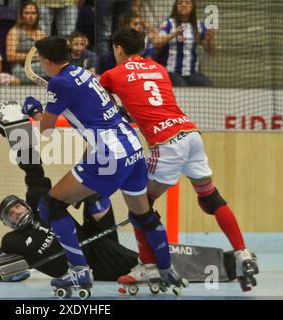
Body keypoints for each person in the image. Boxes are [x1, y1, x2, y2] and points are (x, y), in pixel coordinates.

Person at [20, 36, 186, 297]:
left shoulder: (59, 83)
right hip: (132, 146)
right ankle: (165, 268)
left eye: (41, 60)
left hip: (109, 155)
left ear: (47, 61)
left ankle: (79, 270)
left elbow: (46, 130)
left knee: (51, 205)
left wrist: (34, 110)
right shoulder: (81, 73)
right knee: (143, 215)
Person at [100, 28, 259, 291]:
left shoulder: (112, 74)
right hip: (190, 133)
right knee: (210, 198)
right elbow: (148, 99)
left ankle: (149, 265)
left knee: (141, 206)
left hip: (166, 143)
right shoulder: (159, 68)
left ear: (117, 48)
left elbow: (101, 103)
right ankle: (242, 252)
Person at [0, 147, 140, 282]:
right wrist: (6, 272)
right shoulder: (13, 241)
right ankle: (150, 260)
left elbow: (35, 175)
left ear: (25, 205)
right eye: (10, 214)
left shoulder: (44, 209)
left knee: (94, 195)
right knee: (133, 263)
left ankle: (149, 259)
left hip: (94, 242)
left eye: (18, 206)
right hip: (87, 266)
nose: (16, 212)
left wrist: (23, 146)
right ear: (8, 223)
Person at [151, 0, 214, 87]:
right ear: (176, 6)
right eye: (180, 3)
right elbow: (156, 43)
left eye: (187, 3)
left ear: (193, 7)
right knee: (182, 86)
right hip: (171, 72)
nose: (183, 5)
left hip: (192, 73)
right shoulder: (168, 23)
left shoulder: (199, 25)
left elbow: (210, 52)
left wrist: (209, 40)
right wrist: (173, 34)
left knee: (208, 85)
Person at [6, 0, 46, 84]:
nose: (30, 16)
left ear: (37, 16)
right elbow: (10, 56)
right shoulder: (14, 32)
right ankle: (42, 82)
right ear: (21, 15)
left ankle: (40, 82)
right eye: (27, 13)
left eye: (33, 13)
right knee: (46, 68)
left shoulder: (41, 34)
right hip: (20, 69)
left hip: (38, 67)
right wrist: (33, 56)